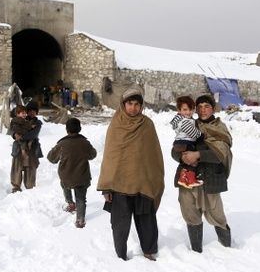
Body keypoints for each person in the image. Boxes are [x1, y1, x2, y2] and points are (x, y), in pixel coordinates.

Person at [97, 87, 164, 261]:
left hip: (143, 183)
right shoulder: (116, 124)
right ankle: (120, 255)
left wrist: (154, 180)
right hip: (119, 185)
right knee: (119, 224)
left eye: (137, 104)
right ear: (123, 104)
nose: (133, 108)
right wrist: (107, 187)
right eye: (130, 103)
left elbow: (153, 155)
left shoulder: (147, 125)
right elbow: (110, 158)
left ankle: (149, 250)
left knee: (146, 221)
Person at [171, 94, 233, 253]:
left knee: (216, 215)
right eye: (199, 107)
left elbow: (221, 153)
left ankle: (228, 250)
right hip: (187, 179)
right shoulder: (189, 124)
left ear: (213, 108)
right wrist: (183, 157)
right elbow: (175, 150)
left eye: (207, 106)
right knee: (190, 214)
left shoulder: (219, 128)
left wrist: (197, 155)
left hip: (209, 179)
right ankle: (196, 251)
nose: (203, 110)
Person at [47, 118, 97, 228]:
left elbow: (51, 158)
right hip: (82, 177)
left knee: (65, 186)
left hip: (67, 177)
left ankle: (70, 204)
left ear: (67, 130)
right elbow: (93, 155)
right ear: (80, 129)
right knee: (81, 198)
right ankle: (80, 220)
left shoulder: (62, 144)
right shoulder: (85, 143)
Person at [171, 95, 204, 189]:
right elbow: (191, 131)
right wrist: (201, 135)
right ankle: (189, 178)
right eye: (185, 110)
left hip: (183, 143)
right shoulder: (183, 121)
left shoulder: (185, 119)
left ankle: (186, 177)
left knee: (189, 161)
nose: (188, 112)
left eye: (191, 109)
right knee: (192, 160)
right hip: (184, 143)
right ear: (179, 110)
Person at [10, 100, 42, 192]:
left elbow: (33, 134)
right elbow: (12, 129)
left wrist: (21, 136)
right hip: (18, 148)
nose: (32, 113)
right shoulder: (21, 119)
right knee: (17, 168)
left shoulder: (37, 123)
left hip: (31, 149)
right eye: (30, 111)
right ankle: (16, 187)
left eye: (34, 111)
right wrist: (14, 134)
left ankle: (30, 189)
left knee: (30, 169)